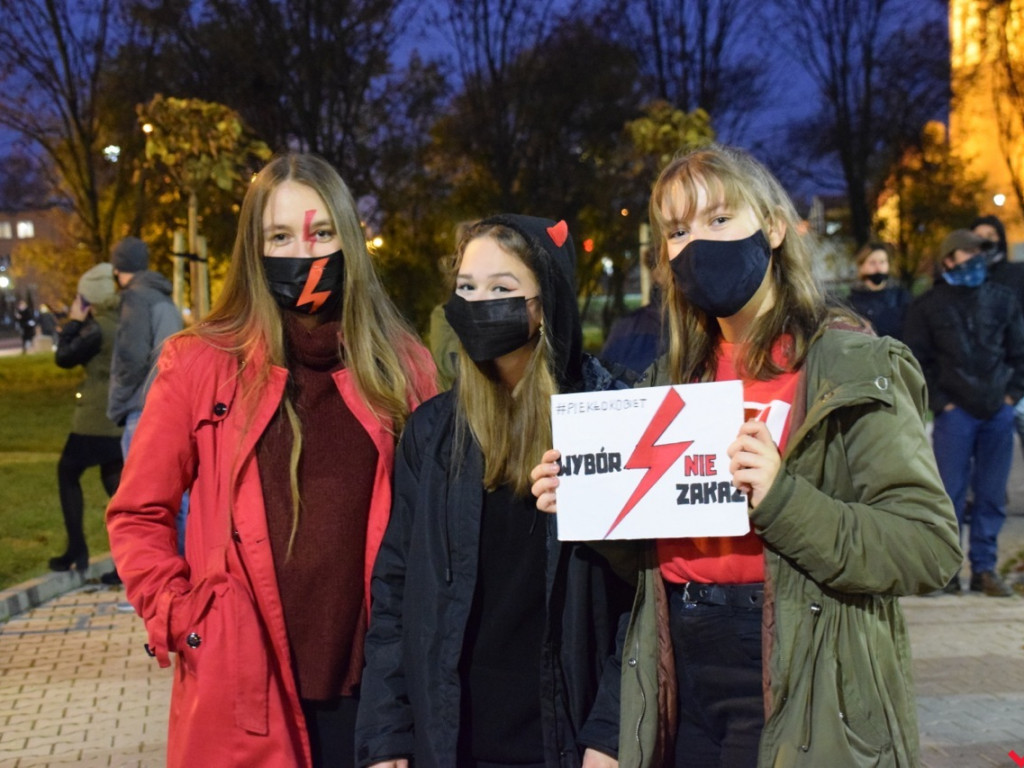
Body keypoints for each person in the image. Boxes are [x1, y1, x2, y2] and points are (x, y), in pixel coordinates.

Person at [531, 145, 961, 767]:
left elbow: (928, 546)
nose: (696, 243)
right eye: (677, 231)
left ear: (775, 229)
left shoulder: (851, 365)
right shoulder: (670, 382)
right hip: (681, 673)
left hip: (802, 673)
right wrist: (592, 503)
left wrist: (784, 499)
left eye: (719, 220)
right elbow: (654, 560)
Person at [105, 152, 437, 768]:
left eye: (320, 232)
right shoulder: (199, 363)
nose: (302, 251)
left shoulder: (404, 367)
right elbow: (137, 513)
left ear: (349, 239)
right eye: (279, 236)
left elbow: (446, 518)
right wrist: (184, 618)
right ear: (253, 251)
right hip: (242, 694)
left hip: (378, 699)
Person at [355, 215, 631, 768]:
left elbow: (643, 602)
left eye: (502, 289)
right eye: (466, 288)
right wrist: (387, 737)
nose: (479, 303)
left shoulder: (610, 419)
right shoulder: (433, 434)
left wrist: (612, 732)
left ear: (546, 302)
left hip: (567, 740)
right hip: (454, 739)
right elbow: (394, 592)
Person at [904, 229, 1024, 598]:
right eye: (967, 253)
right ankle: (948, 571)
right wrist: (942, 403)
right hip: (954, 415)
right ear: (948, 261)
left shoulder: (1001, 299)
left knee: (990, 495)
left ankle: (985, 570)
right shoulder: (928, 306)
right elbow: (916, 361)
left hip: (996, 413)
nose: (975, 260)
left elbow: (1019, 353)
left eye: (979, 253)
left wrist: (1010, 396)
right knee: (949, 495)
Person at [104, 235, 185, 583]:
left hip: (143, 410)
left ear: (117, 266)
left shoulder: (135, 299)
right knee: (178, 498)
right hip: (168, 405)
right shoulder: (162, 296)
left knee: (146, 505)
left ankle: (160, 581)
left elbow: (131, 358)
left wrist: (118, 401)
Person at [48, 263, 124, 572]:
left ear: (89, 297)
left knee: (67, 472)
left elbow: (63, 357)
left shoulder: (97, 328)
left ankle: (77, 550)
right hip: (118, 417)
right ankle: (127, 563)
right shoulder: (122, 318)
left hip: (95, 418)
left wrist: (72, 322)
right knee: (116, 486)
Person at [972, 214, 1024, 456]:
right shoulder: (966, 279)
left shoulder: (1017, 273)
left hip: (1018, 369)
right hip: (985, 377)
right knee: (992, 457)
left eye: (991, 236)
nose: (985, 241)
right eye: (979, 237)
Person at [845, 241, 911, 340]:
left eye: (882, 262)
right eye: (872, 263)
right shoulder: (851, 303)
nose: (878, 267)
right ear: (861, 266)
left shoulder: (902, 297)